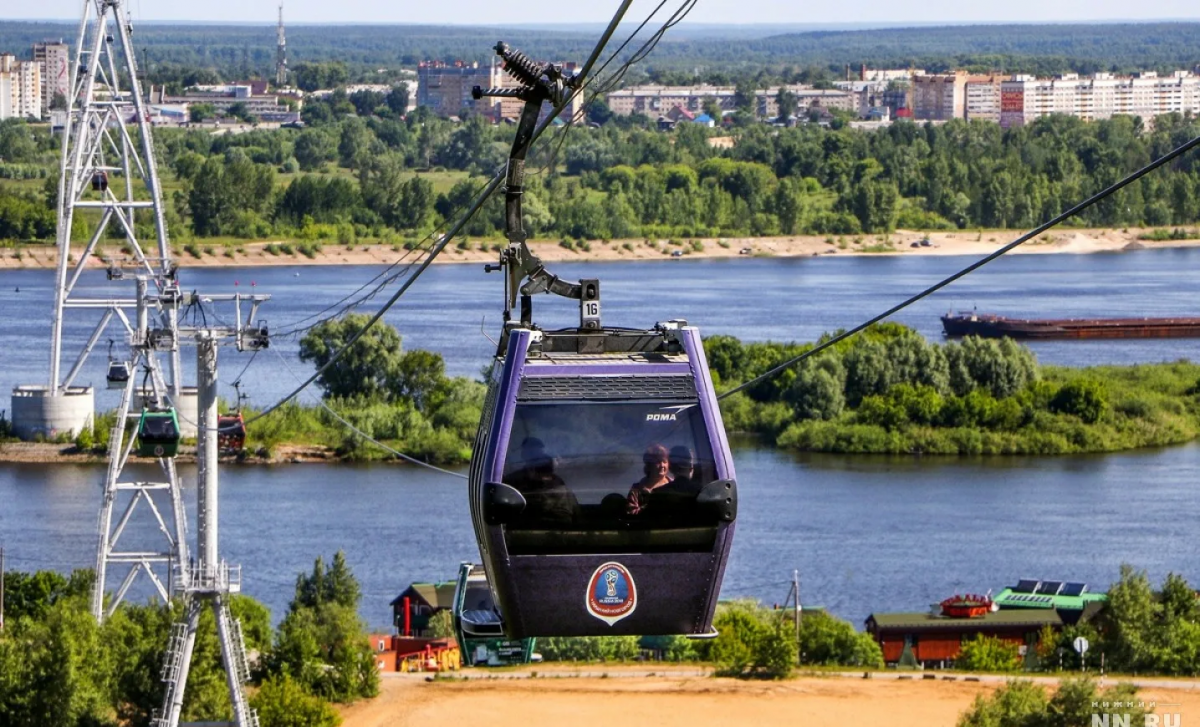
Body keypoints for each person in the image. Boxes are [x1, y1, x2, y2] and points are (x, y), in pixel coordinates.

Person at [506, 437, 578, 525]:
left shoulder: (558, 484)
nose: (534, 455)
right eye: (530, 451)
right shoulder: (514, 479)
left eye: (537, 452)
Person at [626, 444, 672, 516]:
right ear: (649, 465)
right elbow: (631, 513)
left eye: (664, 461)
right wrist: (650, 506)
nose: (662, 465)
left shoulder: (674, 485)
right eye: (658, 462)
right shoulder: (636, 490)